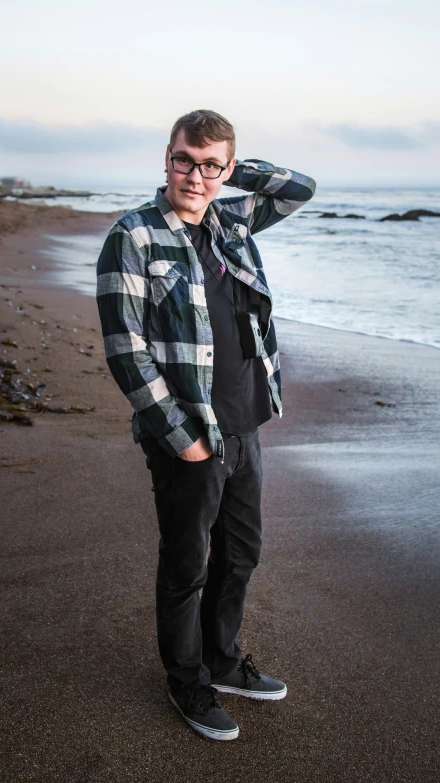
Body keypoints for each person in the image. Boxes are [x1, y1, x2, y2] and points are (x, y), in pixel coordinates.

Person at [96, 109, 316, 741]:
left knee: (241, 554)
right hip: (190, 435)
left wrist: (230, 169)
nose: (195, 177)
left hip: (245, 424)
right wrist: (178, 436)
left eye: (209, 165)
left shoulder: (230, 217)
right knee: (187, 566)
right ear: (165, 158)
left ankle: (221, 661)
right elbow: (125, 350)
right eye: (184, 161)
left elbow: (299, 189)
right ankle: (185, 681)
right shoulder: (133, 236)